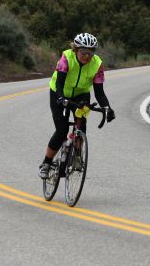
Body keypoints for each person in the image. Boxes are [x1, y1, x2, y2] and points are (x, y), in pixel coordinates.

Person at [38, 32, 116, 179]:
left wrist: (107, 108)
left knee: (81, 126)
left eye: (90, 53)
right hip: (59, 92)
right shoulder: (66, 57)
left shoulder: (97, 64)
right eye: (83, 52)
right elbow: (59, 82)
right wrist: (60, 97)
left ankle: (77, 157)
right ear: (75, 49)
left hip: (81, 95)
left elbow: (99, 92)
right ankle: (46, 163)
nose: (86, 56)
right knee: (61, 131)